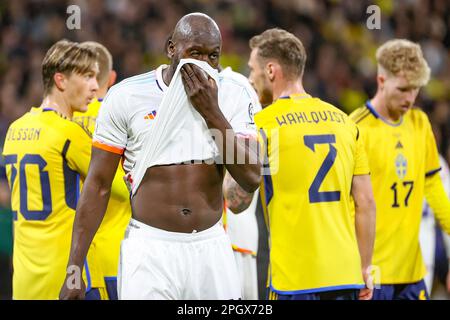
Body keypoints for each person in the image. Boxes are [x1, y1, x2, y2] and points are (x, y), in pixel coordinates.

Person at [59, 13, 260, 300]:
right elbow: (98, 185)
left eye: (212, 56)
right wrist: (74, 268)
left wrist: (212, 111)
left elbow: (250, 177)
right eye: (194, 53)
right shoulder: (126, 96)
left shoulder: (234, 94)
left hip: (211, 246)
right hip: (150, 248)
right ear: (170, 48)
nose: (203, 63)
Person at [248, 28, 376, 300]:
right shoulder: (345, 122)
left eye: (252, 70)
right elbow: (365, 202)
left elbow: (234, 199)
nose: (250, 80)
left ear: (271, 70)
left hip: (294, 279)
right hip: (345, 275)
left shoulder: (262, 125)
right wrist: (365, 267)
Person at [1, 40, 128, 299]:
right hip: (68, 278)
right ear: (61, 80)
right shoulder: (69, 134)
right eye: (87, 76)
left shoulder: (15, 129)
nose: (95, 86)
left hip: (25, 277)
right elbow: (123, 188)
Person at [349, 39, 450, 300]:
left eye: (415, 89)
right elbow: (348, 204)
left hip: (413, 272)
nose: (411, 98)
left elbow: (433, 187)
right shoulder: (355, 127)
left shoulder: (420, 123)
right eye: (403, 89)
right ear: (381, 81)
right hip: (373, 273)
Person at [72, 41, 131, 300]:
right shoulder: (125, 116)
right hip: (121, 253)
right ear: (113, 78)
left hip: (74, 259)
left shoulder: (65, 121)